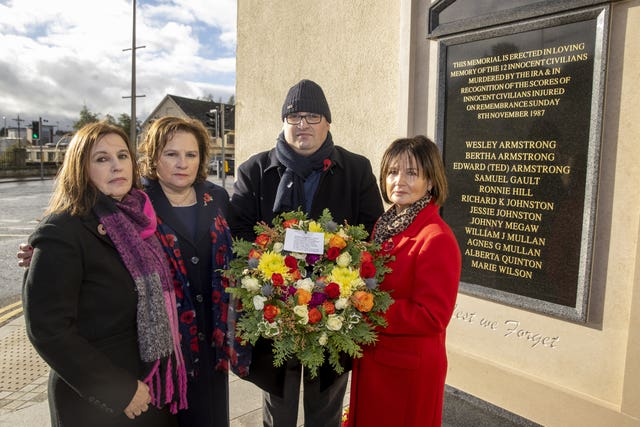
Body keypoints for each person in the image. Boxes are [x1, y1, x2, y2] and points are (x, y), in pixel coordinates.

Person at [228, 79, 384, 427]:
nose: (302, 124)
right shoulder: (255, 171)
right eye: (293, 116)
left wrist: (343, 278)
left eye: (312, 116)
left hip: (334, 310)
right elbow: (236, 232)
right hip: (274, 309)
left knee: (326, 406)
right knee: (277, 407)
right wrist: (265, 267)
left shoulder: (356, 169)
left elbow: (372, 233)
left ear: (328, 122)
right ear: (283, 123)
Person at [22, 121, 186, 427]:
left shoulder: (140, 222)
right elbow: (48, 329)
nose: (116, 166)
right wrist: (118, 391)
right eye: (102, 159)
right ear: (81, 169)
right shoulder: (62, 231)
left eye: (122, 156)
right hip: (99, 404)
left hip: (152, 388)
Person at [138, 116, 247, 427]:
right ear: (153, 156)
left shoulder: (218, 198)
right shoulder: (137, 204)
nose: (181, 163)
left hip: (213, 343)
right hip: (165, 350)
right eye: (171, 154)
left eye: (191, 154)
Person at [346, 135, 461, 427]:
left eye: (412, 173)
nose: (399, 180)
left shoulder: (436, 238)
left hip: (406, 374)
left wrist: (365, 309)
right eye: (393, 172)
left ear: (431, 181)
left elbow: (432, 316)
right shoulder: (385, 226)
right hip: (376, 362)